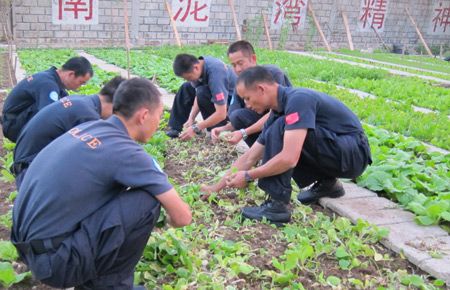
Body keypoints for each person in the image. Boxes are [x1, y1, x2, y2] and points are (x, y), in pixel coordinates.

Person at [11, 78, 192, 289]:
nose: (159, 123)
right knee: (146, 201)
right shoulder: (127, 152)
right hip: (57, 264)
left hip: (29, 250)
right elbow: (182, 217)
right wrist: (164, 220)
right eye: (159, 116)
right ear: (143, 115)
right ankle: (111, 286)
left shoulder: (88, 127)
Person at [202, 66, 372, 224]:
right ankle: (328, 184)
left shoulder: (298, 100)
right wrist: (215, 188)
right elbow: (250, 157)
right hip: (340, 152)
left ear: (261, 89)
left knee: (285, 129)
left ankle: (277, 205)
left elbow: (289, 159)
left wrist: (248, 176)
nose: (246, 104)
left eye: (247, 98)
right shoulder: (277, 111)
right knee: (283, 129)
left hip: (353, 155)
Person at [12, 76, 126, 190]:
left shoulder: (82, 101)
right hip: (30, 174)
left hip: (28, 165)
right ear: (116, 105)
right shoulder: (87, 115)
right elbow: (96, 159)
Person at [211, 40, 292, 147]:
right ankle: (259, 152)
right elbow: (236, 117)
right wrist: (223, 129)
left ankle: (269, 152)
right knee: (236, 116)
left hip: (283, 120)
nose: (238, 69)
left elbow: (276, 113)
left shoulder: (272, 74)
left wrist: (244, 132)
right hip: (261, 122)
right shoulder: (241, 84)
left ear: (253, 59)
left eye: (240, 63)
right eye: (234, 65)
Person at [1, 56, 93, 142]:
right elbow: (49, 117)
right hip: (13, 126)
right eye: (81, 82)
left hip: (16, 120)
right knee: (53, 118)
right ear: (71, 74)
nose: (79, 87)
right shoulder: (48, 85)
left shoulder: (51, 78)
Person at [165, 53, 237, 141]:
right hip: (216, 98)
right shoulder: (200, 66)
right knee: (186, 87)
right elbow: (197, 94)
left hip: (230, 108)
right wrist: (191, 118)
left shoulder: (216, 74)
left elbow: (221, 113)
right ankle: (177, 128)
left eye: (189, 77)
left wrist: (196, 128)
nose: (189, 80)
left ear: (196, 67)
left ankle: (215, 129)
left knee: (203, 92)